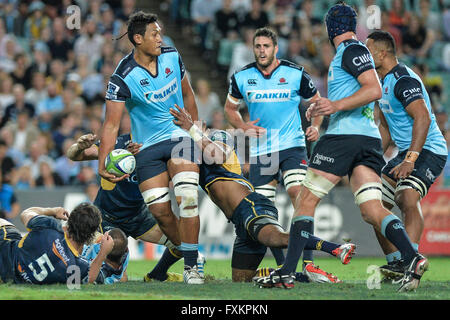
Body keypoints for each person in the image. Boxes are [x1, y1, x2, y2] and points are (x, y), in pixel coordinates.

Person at [255, 2, 428, 292]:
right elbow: (354, 94)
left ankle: (286, 272)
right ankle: (412, 256)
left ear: (331, 26)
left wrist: (333, 106)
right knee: (372, 209)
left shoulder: (351, 50)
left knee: (305, 201)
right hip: (367, 140)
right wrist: (323, 109)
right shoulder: (348, 53)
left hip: (343, 139)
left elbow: (372, 89)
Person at [167, 105, 356, 282]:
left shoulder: (218, 136)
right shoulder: (190, 152)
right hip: (239, 221)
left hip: (250, 205)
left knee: (274, 237)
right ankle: (302, 277)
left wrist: (191, 127)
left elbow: (218, 156)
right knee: (241, 279)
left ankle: (336, 248)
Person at [97, 11, 203, 284]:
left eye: (160, 33)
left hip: (179, 138)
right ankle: (191, 254)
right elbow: (110, 125)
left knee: (188, 196)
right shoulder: (122, 76)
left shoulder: (172, 56)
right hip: (147, 149)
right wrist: (102, 163)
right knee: (161, 213)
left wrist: (195, 130)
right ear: (138, 39)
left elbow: (188, 95)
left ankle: (192, 266)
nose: (160, 38)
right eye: (155, 34)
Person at [224, 27, 332, 282]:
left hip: (292, 146)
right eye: (258, 46)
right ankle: (286, 267)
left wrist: (315, 126)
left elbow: (318, 104)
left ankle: (308, 264)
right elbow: (230, 108)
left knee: (298, 195)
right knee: (265, 212)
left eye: (266, 46)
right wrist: (242, 126)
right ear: (254, 49)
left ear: (275, 49)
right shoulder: (242, 77)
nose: (262, 51)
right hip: (262, 152)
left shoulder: (295, 73)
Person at [366, 30, 448, 280]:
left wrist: (410, 159)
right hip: (405, 151)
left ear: (382, 53)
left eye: (369, 52)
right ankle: (397, 264)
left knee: (406, 197)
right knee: (373, 205)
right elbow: (386, 128)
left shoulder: (403, 79)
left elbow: (422, 117)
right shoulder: (380, 83)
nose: (365, 58)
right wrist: (370, 159)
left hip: (430, 149)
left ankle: (412, 261)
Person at [67, 132, 189, 282]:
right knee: (119, 278)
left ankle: (156, 275)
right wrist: (79, 146)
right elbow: (74, 155)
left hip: (138, 216)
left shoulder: (162, 148)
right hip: (105, 218)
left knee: (184, 242)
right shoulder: (117, 143)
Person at [0, 203, 113, 284]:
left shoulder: (50, 225)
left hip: (5, 251)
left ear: (70, 219)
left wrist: (52, 211)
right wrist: (103, 253)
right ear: (91, 234)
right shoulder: (78, 266)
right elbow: (91, 278)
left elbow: (26, 213)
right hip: (12, 278)